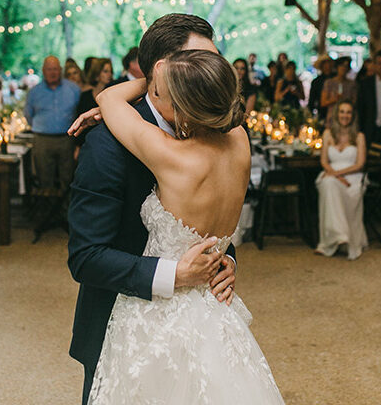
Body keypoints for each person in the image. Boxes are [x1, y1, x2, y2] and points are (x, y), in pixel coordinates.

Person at [75, 54, 279, 403]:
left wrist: (149, 80)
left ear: (183, 107)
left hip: (154, 318)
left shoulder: (171, 156)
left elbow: (107, 99)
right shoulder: (241, 141)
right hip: (214, 310)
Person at [25, 56, 81, 243]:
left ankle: (66, 219)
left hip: (67, 139)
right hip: (42, 139)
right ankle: (46, 218)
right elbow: (28, 115)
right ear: (43, 71)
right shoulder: (34, 92)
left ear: (60, 70)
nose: (52, 72)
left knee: (68, 179)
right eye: (49, 69)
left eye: (56, 69)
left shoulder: (73, 89)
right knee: (44, 180)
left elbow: (78, 113)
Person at [314, 99, 367, 260]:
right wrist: (335, 175)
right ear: (337, 114)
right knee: (328, 183)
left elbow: (360, 164)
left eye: (348, 112)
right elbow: (324, 161)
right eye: (342, 112)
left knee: (332, 184)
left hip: (353, 176)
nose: (345, 115)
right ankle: (337, 235)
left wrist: (340, 175)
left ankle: (338, 236)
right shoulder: (328, 133)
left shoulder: (359, 136)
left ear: (352, 115)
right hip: (331, 173)